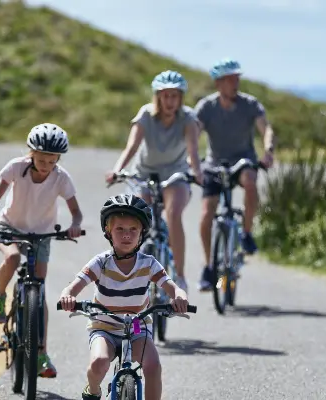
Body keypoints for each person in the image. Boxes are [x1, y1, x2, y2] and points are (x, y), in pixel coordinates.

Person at [58, 194, 189, 400]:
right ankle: (93, 390)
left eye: (133, 230)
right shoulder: (101, 262)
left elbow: (171, 286)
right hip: (105, 327)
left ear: (141, 234)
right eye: (120, 229)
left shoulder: (148, 263)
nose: (126, 235)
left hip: (138, 328)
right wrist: (68, 296)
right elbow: (74, 286)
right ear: (108, 231)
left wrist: (179, 296)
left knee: (153, 366)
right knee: (99, 362)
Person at [0, 122, 83, 378]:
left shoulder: (61, 178)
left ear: (58, 158)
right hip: (8, 227)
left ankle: (41, 353)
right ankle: (0, 297)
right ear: (30, 153)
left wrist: (75, 226)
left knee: (40, 288)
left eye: (52, 161)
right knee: (12, 257)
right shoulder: (15, 167)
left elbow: (76, 212)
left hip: (42, 234)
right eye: (41, 159)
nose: (46, 165)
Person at [105, 70, 202, 293]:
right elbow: (132, 146)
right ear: (158, 97)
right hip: (145, 173)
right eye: (165, 96)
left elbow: (193, 151)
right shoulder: (146, 115)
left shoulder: (188, 118)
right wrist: (117, 170)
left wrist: (197, 173)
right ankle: (132, 273)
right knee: (138, 217)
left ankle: (179, 274)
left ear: (181, 98)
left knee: (173, 213)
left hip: (176, 174)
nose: (170, 101)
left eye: (174, 96)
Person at [194, 58, 276, 292]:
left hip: (243, 160)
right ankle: (208, 266)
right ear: (218, 83)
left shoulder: (250, 104)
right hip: (215, 164)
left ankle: (247, 233)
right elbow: (194, 133)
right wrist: (189, 160)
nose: (235, 84)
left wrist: (268, 151)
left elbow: (265, 128)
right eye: (230, 80)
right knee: (207, 211)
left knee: (250, 181)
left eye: (237, 79)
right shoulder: (207, 107)